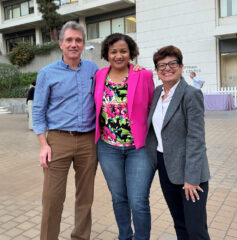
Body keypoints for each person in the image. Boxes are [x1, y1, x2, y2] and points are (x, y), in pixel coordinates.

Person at [32, 21, 98, 240]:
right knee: (52, 198)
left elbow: (116, 80)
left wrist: (133, 67)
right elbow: (38, 111)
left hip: (88, 141)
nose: (73, 44)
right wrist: (43, 145)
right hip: (57, 141)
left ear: (83, 44)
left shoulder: (93, 70)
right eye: (69, 40)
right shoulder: (46, 73)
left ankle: (80, 237)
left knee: (85, 198)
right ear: (60, 44)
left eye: (78, 40)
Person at [146, 45, 211, 240]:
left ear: (181, 66)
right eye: (161, 65)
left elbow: (196, 139)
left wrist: (191, 178)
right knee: (180, 223)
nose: (167, 68)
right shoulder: (157, 93)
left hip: (190, 171)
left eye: (172, 63)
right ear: (156, 71)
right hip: (165, 167)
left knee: (196, 228)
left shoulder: (191, 95)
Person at [94, 33, 155, 240]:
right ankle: (124, 236)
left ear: (131, 53)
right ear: (106, 54)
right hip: (108, 148)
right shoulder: (99, 75)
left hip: (138, 149)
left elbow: (152, 108)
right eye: (113, 51)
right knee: (119, 198)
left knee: (138, 200)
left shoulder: (143, 75)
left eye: (123, 51)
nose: (118, 55)